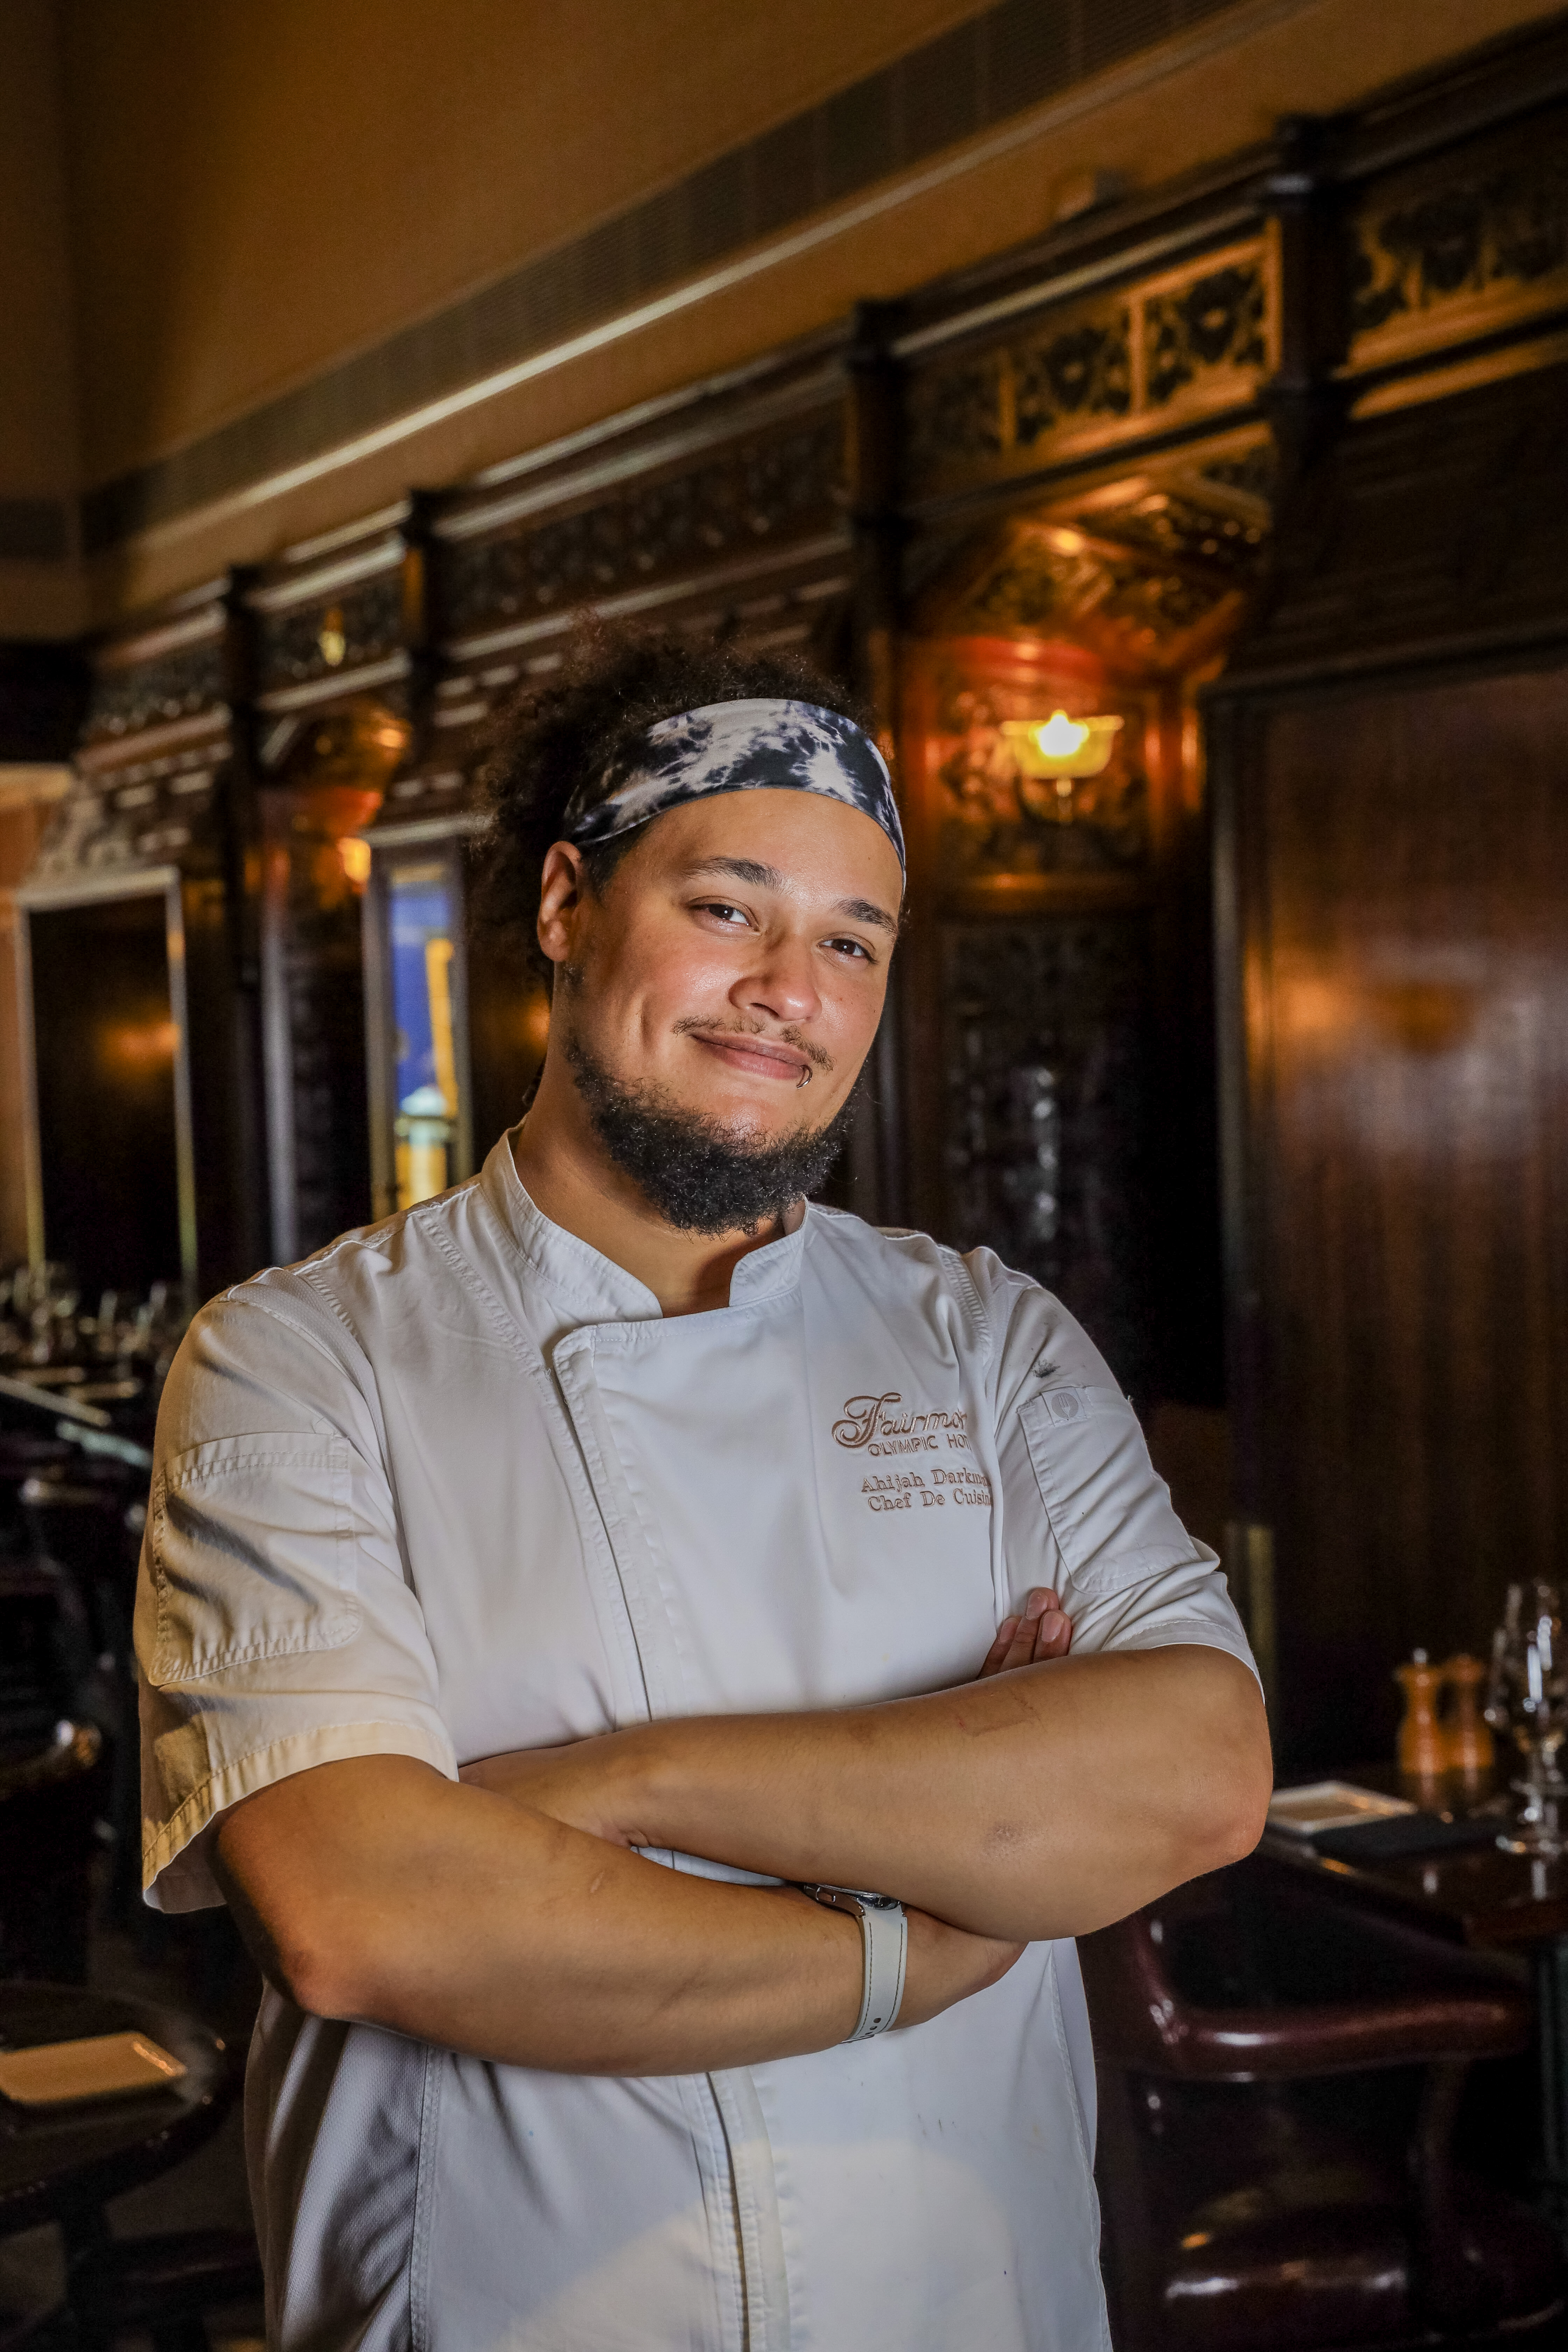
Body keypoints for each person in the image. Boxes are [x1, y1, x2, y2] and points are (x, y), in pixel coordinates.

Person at [136, 625, 1270, 2352]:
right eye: (727, 908)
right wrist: (930, 1934)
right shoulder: (300, 1359)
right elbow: (370, 1914)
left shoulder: (988, 1342)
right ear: (565, 903)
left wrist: (593, 1788)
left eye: (848, 940)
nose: (787, 992)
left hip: (958, 2302)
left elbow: (1193, 1776)